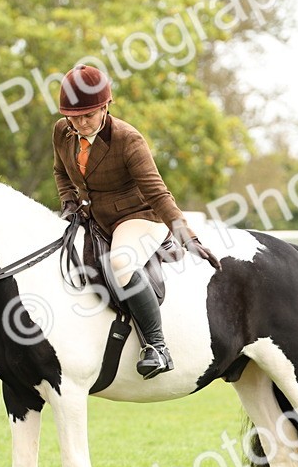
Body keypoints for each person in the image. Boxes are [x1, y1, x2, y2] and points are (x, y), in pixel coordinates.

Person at [52, 64, 220, 379]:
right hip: (93, 216)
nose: (80, 123)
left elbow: (158, 193)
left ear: (105, 107)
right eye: (73, 117)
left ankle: (156, 345)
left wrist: (188, 236)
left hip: (139, 215)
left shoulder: (128, 139)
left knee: (120, 263)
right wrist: (68, 202)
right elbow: (61, 171)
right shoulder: (62, 131)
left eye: (88, 115)